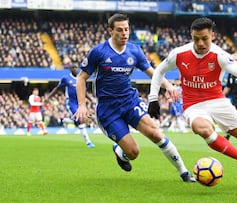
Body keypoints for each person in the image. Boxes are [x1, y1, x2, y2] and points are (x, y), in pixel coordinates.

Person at [148, 17, 237, 188]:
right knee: (202, 128)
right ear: (192, 36)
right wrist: (153, 99)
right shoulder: (179, 53)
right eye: (196, 39)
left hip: (218, 101)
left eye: (205, 38)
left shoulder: (219, 55)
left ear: (212, 35)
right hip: (193, 105)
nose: (200, 43)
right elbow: (159, 71)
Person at [73, 13, 195, 182]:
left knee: (156, 134)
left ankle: (184, 172)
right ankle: (120, 151)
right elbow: (81, 78)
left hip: (130, 102)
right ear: (110, 31)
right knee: (133, 152)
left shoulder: (134, 50)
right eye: (120, 30)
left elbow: (153, 72)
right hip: (108, 110)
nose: (124, 33)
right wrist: (82, 105)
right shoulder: (99, 52)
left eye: (127, 29)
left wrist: (168, 86)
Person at [46, 64, 95, 148]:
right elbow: (57, 88)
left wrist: (91, 100)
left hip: (80, 103)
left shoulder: (81, 78)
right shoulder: (66, 78)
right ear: (70, 69)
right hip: (71, 103)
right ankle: (88, 142)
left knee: (79, 122)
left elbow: (84, 92)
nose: (75, 69)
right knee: (81, 119)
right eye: (73, 68)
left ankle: (63, 120)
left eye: (76, 67)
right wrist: (49, 96)